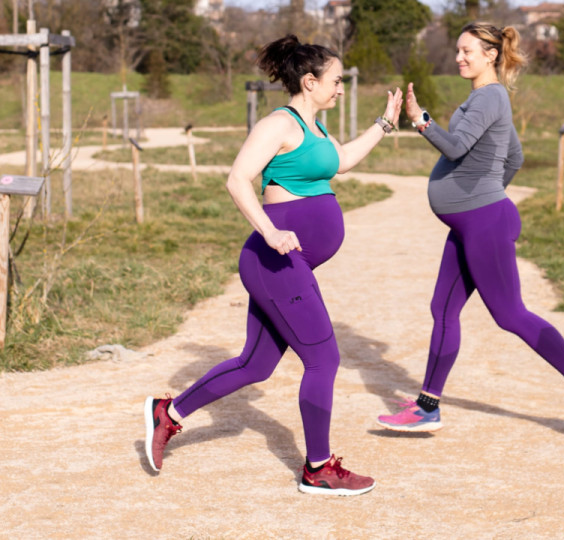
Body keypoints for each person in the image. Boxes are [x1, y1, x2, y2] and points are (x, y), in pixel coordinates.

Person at [144, 35, 402, 496]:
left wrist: (384, 124)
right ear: (310, 81)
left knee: (255, 365)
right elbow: (237, 178)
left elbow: (340, 162)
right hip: (275, 259)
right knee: (324, 359)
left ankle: (169, 413)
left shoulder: (316, 129)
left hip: (284, 264)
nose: (341, 88)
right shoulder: (278, 125)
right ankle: (318, 468)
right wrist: (269, 231)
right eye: (336, 80)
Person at [376, 22, 564, 439]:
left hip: (483, 222)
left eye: (468, 50)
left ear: (491, 55)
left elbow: (455, 147)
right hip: (473, 222)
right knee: (443, 309)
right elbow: (515, 155)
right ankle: (428, 406)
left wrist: (421, 120)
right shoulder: (485, 99)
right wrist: (482, 195)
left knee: (510, 314)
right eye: (457, 50)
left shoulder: (491, 96)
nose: (459, 57)